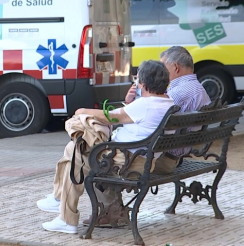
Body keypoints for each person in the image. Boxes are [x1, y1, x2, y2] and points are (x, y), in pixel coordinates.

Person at [37, 60, 175, 234]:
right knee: (75, 149)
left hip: (126, 162)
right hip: (141, 159)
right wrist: (129, 101)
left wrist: (81, 111)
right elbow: (133, 117)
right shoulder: (168, 103)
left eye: (137, 80)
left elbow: (109, 116)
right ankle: (60, 202)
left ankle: (65, 215)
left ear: (144, 84)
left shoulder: (145, 105)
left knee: (76, 149)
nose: (136, 83)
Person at [80, 46, 211, 227]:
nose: (162, 73)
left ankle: (112, 211)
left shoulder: (176, 93)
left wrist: (132, 104)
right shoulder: (197, 88)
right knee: (109, 156)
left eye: (163, 67)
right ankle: (110, 209)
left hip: (163, 159)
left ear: (175, 67)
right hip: (172, 153)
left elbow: (148, 113)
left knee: (96, 160)